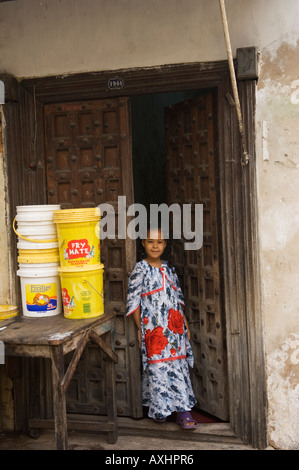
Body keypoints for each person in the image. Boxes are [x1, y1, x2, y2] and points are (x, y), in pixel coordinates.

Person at [126, 227, 198, 429]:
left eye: (159, 242)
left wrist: (184, 322)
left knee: (178, 366)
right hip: (154, 330)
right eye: (150, 241)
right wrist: (141, 328)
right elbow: (133, 302)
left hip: (174, 328)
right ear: (143, 244)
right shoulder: (140, 269)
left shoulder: (169, 268)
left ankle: (184, 413)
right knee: (157, 367)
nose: (155, 246)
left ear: (165, 244)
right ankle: (160, 409)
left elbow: (177, 298)